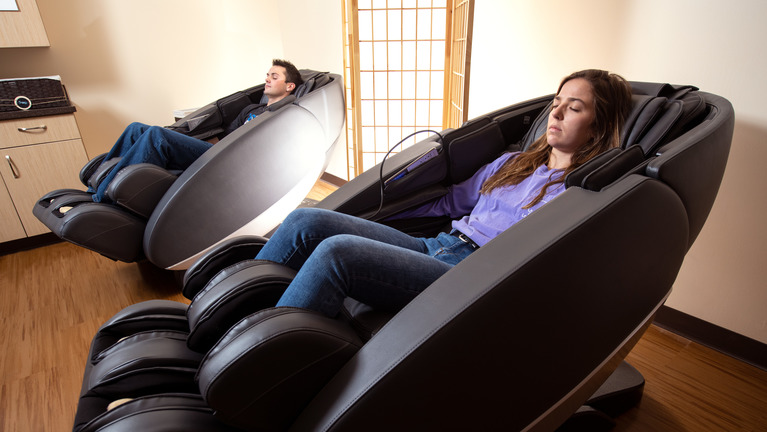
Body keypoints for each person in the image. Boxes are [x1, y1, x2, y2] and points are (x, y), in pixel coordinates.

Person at [255, 69, 633, 318]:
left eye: (575, 107)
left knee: (337, 254)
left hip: (469, 276)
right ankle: (239, 312)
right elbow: (451, 201)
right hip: (437, 246)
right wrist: (370, 218)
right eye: (556, 104)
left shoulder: (580, 193)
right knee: (308, 220)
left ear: (598, 125)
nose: (558, 113)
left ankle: (257, 360)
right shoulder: (513, 162)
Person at [90, 59, 303, 202]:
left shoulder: (280, 117)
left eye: (274, 77)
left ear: (289, 86)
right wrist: (184, 141)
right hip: (217, 153)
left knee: (156, 136)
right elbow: (222, 137)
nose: (267, 79)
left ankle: (104, 195)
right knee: (135, 128)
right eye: (267, 75)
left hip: (231, 162)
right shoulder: (251, 109)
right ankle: (96, 181)